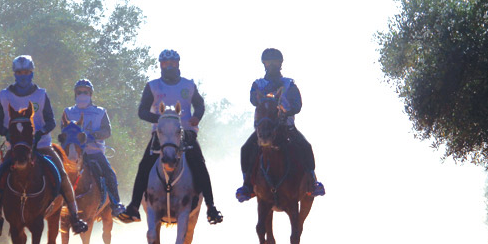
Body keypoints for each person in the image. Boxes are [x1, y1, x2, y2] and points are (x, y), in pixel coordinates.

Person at [0, 55, 86, 240]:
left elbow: (51, 121)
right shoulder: (4, 95)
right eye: (19, 72)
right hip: (15, 148)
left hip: (42, 146)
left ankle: (75, 217)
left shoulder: (41, 95)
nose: (23, 76)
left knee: (62, 175)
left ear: (32, 73)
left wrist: (40, 133)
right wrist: (6, 133)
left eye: (26, 72)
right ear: (14, 74)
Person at [117, 49, 224, 224]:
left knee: (199, 164)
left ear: (178, 64)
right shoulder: (153, 86)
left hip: (186, 132)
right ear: (160, 65)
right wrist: (160, 119)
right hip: (160, 135)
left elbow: (199, 104)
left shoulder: (188, 85)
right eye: (165, 64)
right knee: (144, 165)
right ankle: (134, 207)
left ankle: (211, 207)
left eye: (172, 63)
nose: (169, 67)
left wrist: (197, 116)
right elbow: (142, 111)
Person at [235, 48, 325, 202]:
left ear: (280, 63)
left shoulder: (289, 84)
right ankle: (247, 185)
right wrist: (263, 96)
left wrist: (287, 110)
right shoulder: (258, 84)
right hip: (264, 129)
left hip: (286, 127)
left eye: (275, 62)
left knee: (305, 146)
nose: (272, 65)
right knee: (246, 149)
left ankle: (312, 181)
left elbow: (298, 105)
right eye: (268, 62)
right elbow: (253, 100)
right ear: (264, 64)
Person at [62, 79, 127, 216]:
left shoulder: (100, 112)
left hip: (94, 152)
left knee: (109, 173)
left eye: (85, 92)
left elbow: (107, 131)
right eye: (79, 92)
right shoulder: (68, 112)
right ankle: (53, 203)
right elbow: (63, 130)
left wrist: (94, 135)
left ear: (91, 94)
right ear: (75, 94)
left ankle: (116, 203)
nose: (82, 94)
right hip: (74, 153)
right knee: (56, 172)